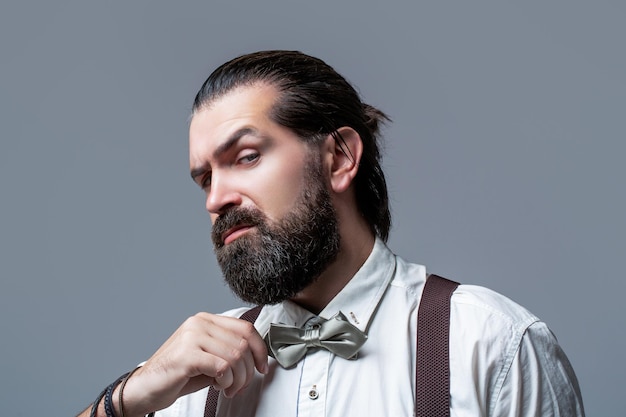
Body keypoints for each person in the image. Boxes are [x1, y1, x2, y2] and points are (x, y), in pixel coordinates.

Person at [79, 50, 585, 417]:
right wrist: (127, 400)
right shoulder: (190, 375)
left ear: (339, 158)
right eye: (206, 178)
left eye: (247, 157)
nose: (216, 200)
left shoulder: (491, 345)